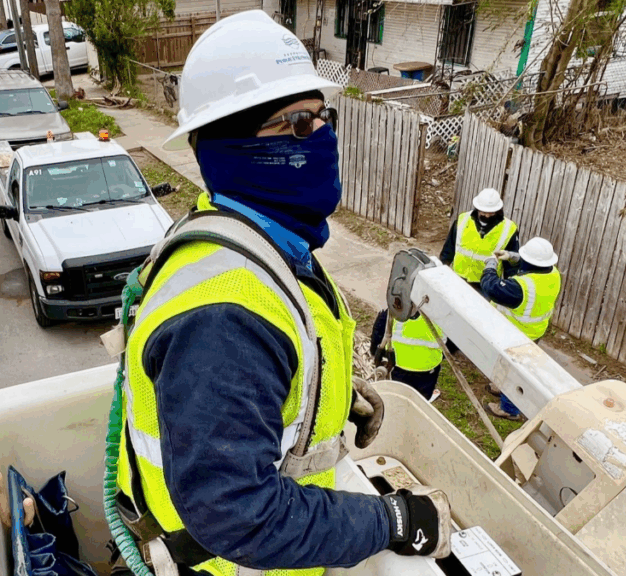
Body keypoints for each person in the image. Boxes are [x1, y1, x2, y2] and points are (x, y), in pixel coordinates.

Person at [110, 11, 453, 576]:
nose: (322, 139)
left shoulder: (245, 237)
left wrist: (329, 396)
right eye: (295, 126)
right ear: (227, 149)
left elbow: (263, 370)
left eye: (323, 118)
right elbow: (239, 516)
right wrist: (391, 520)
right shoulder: (224, 314)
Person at [480, 237, 562, 420]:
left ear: (529, 263)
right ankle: (500, 386)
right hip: (535, 331)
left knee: (514, 373)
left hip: (516, 334)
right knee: (507, 364)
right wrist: (511, 256)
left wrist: (491, 265)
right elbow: (530, 265)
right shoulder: (553, 274)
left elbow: (491, 287)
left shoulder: (520, 287)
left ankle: (509, 409)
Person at [439, 188, 520, 290]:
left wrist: (509, 288)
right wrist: (441, 271)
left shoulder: (509, 229)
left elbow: (511, 263)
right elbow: (448, 249)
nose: (487, 215)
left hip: (486, 285)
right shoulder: (462, 220)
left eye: (491, 212)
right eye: (484, 212)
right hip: (458, 278)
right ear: (477, 208)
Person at [370, 309, 445, 402]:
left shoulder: (392, 313)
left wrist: (377, 353)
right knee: (421, 400)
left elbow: (377, 340)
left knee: (397, 396)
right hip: (427, 371)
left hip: (397, 368)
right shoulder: (443, 317)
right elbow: (451, 347)